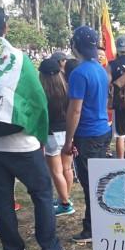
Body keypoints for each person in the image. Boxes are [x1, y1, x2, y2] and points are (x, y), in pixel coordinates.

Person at [0, 5, 80, 250]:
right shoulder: (16, 57)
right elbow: (37, 99)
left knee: (2, 199)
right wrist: (40, 134)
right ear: (5, 27)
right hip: (19, 141)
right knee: (42, 193)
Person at [63, 26, 112, 244]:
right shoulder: (100, 69)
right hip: (102, 130)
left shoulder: (79, 73)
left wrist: (68, 140)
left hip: (88, 134)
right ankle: (102, 223)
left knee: (91, 184)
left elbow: (75, 110)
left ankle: (92, 229)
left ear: (75, 46)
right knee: (99, 182)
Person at [38, 58, 75, 217]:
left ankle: (65, 203)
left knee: (56, 172)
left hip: (51, 134)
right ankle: (65, 197)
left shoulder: (41, 93)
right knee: (67, 168)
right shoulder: (67, 88)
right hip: (67, 133)